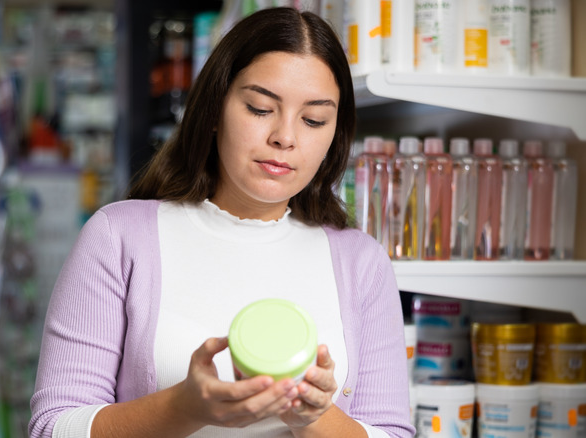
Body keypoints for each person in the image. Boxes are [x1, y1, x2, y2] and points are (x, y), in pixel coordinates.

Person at [29, 7, 414, 438]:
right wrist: (184, 408)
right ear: (214, 109)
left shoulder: (360, 261)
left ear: (334, 135)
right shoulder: (119, 237)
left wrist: (314, 415)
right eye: (260, 108)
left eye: (313, 120)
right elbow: (52, 427)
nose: (285, 137)